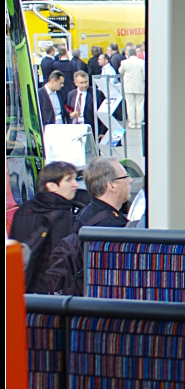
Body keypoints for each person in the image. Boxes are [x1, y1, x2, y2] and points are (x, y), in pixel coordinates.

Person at [8, 162, 83, 293]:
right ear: (52, 186)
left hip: (21, 287)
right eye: (68, 180)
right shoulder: (63, 215)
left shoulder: (24, 209)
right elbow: (60, 261)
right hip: (47, 296)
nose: (75, 184)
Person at [77, 157, 130, 228]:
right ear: (112, 186)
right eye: (125, 177)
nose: (130, 180)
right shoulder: (114, 226)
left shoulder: (85, 213)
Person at [67, 70, 106, 140]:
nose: (84, 85)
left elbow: (103, 112)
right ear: (76, 83)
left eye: (86, 82)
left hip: (90, 128)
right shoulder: (71, 95)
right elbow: (68, 110)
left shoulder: (97, 93)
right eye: (81, 83)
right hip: (75, 129)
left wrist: (102, 131)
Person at [119, 47, 145, 128]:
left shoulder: (124, 62)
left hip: (128, 87)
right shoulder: (142, 62)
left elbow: (120, 71)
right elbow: (145, 74)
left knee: (130, 105)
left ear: (128, 54)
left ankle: (132, 123)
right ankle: (139, 123)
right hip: (140, 86)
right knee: (140, 105)